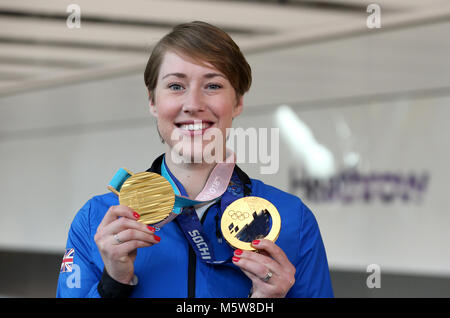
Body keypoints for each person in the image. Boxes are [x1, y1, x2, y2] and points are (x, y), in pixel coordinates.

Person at [56, 21, 334, 298]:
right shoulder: (99, 220)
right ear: (153, 102)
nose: (193, 103)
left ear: (237, 102)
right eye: (176, 86)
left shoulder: (291, 220)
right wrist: (113, 284)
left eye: (212, 85)